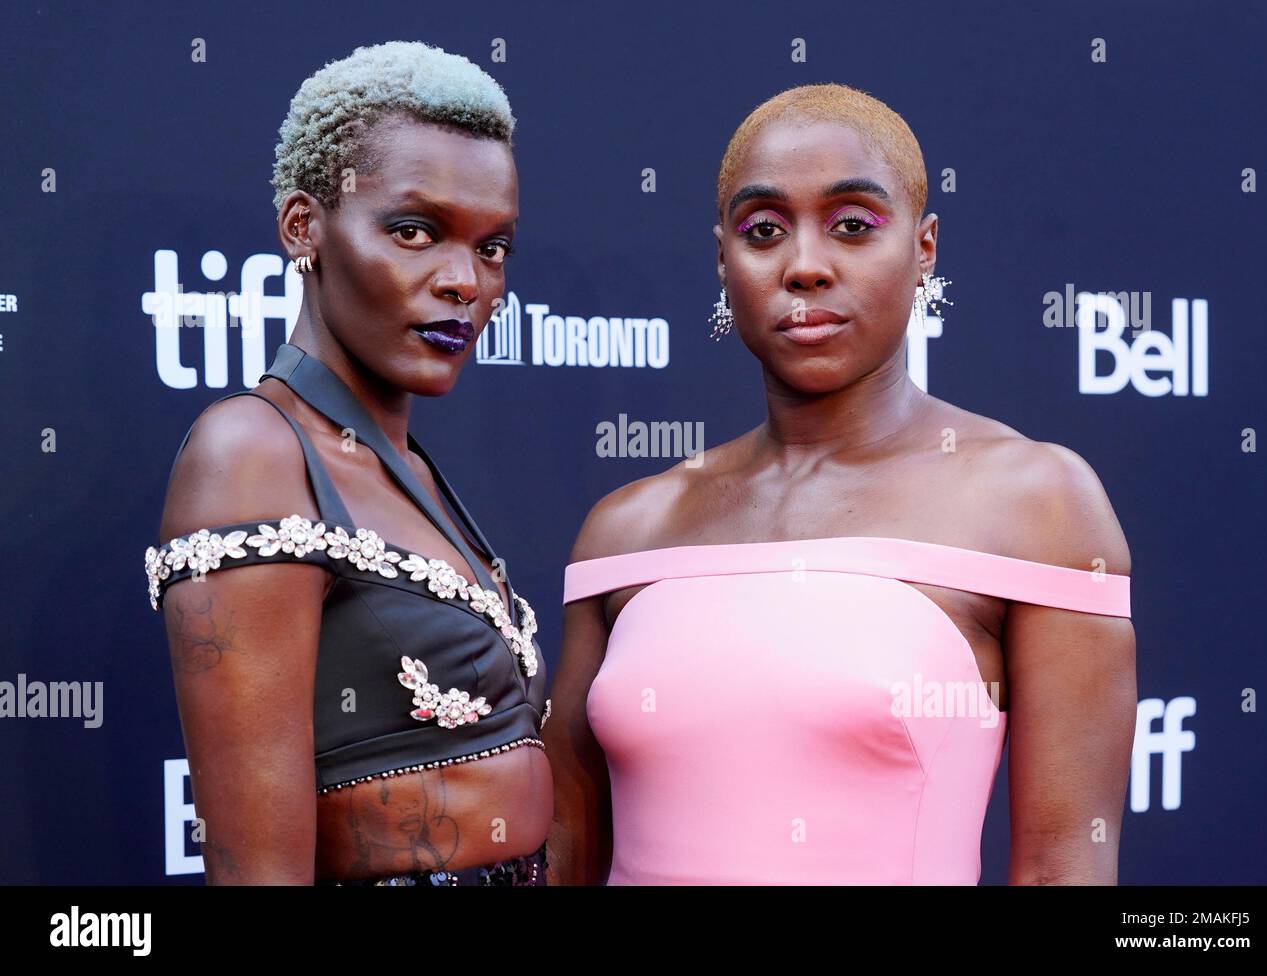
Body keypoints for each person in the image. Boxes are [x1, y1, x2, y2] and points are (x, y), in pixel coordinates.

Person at [545, 83, 1136, 885]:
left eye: (853, 225)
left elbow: (1063, 865)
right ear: (723, 260)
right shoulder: (626, 529)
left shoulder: (1036, 502)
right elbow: (566, 853)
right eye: (763, 231)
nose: (805, 266)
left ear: (924, 248)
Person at [144, 41, 551, 886]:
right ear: (305, 227)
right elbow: (257, 873)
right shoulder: (252, 453)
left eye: (493, 247)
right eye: (415, 231)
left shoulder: (411, 469)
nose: (465, 282)